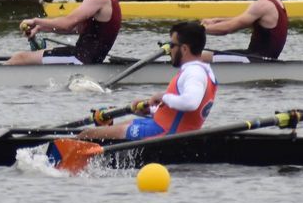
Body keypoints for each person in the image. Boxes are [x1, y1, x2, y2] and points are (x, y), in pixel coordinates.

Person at [78, 22, 217, 140]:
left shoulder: (194, 73)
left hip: (165, 133)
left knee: (88, 134)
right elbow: (179, 114)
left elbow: (190, 103)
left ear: (185, 49)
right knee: (110, 129)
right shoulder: (200, 69)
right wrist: (149, 110)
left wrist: (161, 96)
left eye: (172, 45)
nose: (169, 51)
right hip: (160, 126)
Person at [201, 0, 287, 62]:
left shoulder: (262, 5)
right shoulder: (278, 4)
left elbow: (228, 29)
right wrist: (217, 21)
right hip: (260, 58)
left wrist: (199, 30)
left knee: (197, 58)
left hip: (255, 60)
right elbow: (239, 21)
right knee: (207, 55)